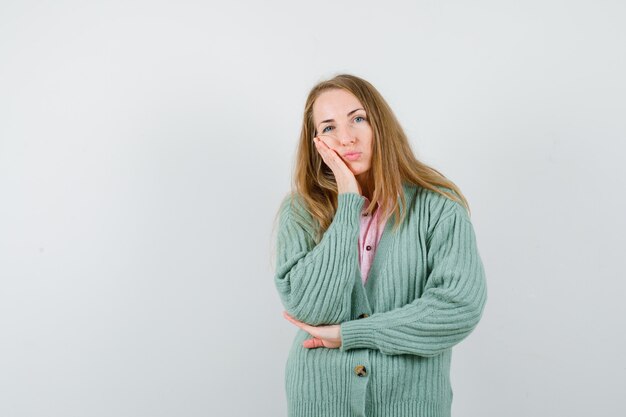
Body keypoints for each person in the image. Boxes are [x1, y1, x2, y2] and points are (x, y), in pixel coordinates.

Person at [272, 73, 488, 417]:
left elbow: (457, 308)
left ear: (380, 125)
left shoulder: (438, 207)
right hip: (320, 401)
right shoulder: (301, 211)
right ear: (315, 143)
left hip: (410, 403)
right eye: (328, 128)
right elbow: (310, 310)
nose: (345, 138)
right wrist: (347, 203)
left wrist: (351, 334)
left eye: (358, 119)